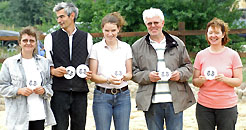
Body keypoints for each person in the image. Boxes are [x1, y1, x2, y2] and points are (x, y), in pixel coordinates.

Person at [131, 8, 196, 130]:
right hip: (151, 102)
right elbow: (133, 72)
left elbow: (188, 67)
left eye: (156, 22)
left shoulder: (177, 43)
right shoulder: (137, 46)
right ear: (146, 25)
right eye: (149, 23)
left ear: (163, 23)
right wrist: (148, 76)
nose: (153, 26)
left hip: (175, 101)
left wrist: (180, 74)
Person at [44, 2, 93, 130]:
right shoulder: (50, 38)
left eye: (61, 17)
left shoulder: (87, 37)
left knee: (79, 127)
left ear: (72, 15)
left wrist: (90, 73)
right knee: (59, 127)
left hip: (80, 91)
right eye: (58, 17)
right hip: (59, 91)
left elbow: (89, 64)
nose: (59, 20)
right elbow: (47, 64)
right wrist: (53, 71)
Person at [0, 26, 56, 130]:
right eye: (25, 40)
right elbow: (2, 87)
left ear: (36, 43)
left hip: (39, 114)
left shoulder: (44, 62)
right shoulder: (9, 63)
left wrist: (43, 90)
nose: (28, 43)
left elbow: (49, 84)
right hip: (18, 117)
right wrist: (19, 90)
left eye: (32, 40)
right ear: (19, 42)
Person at [192, 18, 243, 130]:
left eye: (217, 33)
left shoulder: (233, 55)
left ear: (223, 34)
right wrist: (200, 81)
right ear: (207, 34)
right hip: (204, 106)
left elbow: (238, 81)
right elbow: (195, 81)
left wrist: (225, 79)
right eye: (210, 33)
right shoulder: (201, 55)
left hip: (227, 106)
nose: (213, 36)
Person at [89, 12, 132, 130]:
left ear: (118, 29)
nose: (110, 34)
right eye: (107, 30)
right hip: (102, 96)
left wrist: (123, 77)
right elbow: (93, 75)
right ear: (102, 29)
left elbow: (130, 74)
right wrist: (108, 80)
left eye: (113, 30)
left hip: (123, 95)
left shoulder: (126, 47)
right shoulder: (96, 48)